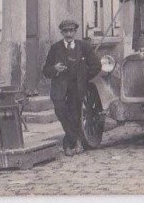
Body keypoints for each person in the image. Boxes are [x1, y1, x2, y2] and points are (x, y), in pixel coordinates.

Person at [42, 19, 102, 156]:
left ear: (75, 32)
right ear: (61, 32)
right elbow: (45, 71)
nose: (68, 34)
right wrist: (55, 69)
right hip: (60, 87)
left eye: (71, 31)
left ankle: (70, 144)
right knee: (61, 111)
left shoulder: (83, 47)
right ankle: (76, 139)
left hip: (77, 86)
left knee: (75, 115)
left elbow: (96, 65)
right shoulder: (55, 48)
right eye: (65, 31)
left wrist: (84, 76)